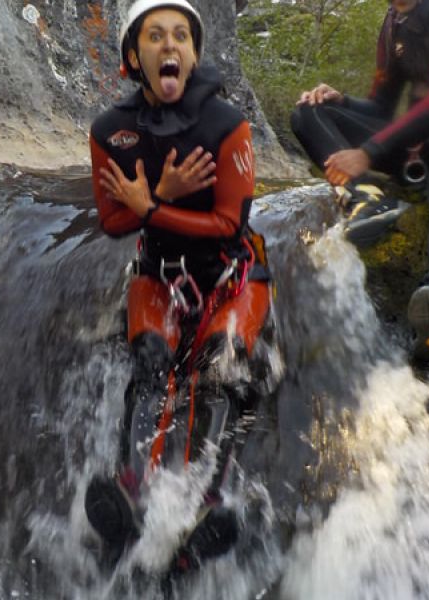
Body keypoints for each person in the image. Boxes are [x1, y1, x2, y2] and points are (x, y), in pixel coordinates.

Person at [84, 0, 274, 568]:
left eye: (181, 37)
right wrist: (159, 198)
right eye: (155, 36)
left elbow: (230, 224)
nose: (170, 45)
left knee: (223, 369)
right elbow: (112, 221)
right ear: (132, 56)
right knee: (150, 363)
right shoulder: (111, 132)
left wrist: (152, 206)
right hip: (159, 277)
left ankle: (208, 503)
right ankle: (130, 492)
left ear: (193, 55)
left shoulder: (227, 126)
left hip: (233, 277)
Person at [290, 0, 429, 361]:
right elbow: (381, 107)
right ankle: (367, 198)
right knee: (309, 114)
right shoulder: (393, 25)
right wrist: (342, 100)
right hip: (427, 136)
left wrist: (368, 152)